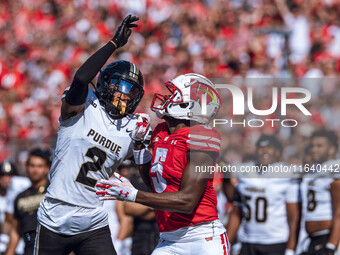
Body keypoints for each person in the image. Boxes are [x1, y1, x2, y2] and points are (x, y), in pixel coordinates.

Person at [35, 14, 143, 255]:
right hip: (55, 213)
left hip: (92, 219)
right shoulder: (85, 106)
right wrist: (114, 43)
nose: (124, 96)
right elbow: (82, 78)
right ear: (105, 85)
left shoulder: (132, 127)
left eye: (130, 91)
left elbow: (147, 169)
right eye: (119, 88)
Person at [96, 73, 230, 255]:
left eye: (174, 95)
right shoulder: (161, 132)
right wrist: (138, 146)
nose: (166, 98)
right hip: (169, 239)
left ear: (189, 105)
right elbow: (156, 186)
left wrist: (132, 195)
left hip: (202, 239)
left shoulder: (202, 136)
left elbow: (187, 201)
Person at [226, 135, 301, 255]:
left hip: (276, 241)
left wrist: (291, 249)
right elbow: (236, 212)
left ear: (278, 152)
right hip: (248, 241)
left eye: (269, 147)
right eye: (261, 147)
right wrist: (226, 244)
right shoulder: (245, 171)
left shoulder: (288, 173)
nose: (265, 151)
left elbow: (293, 217)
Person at [300, 130, 340, 255]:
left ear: (331, 149)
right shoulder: (315, 171)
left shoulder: (334, 170)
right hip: (311, 238)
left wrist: (331, 246)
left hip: (327, 237)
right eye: (312, 146)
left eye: (319, 146)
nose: (314, 150)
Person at [6, 148, 51, 255]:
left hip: (54, 249)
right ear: (26, 167)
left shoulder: (53, 192)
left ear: (47, 169)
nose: (35, 170)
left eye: (39, 166)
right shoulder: (20, 197)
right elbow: (16, 230)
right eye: (31, 165)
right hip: (29, 250)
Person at [1, 162, 31, 255]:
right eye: (3, 176)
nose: (7, 179)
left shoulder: (21, 197)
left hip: (21, 240)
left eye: (10, 175)